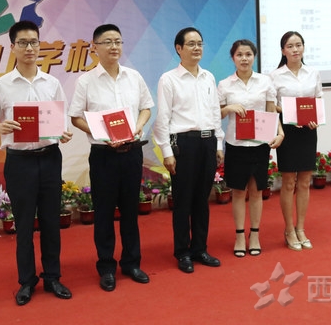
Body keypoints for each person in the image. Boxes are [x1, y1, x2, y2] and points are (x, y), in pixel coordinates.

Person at [0, 20, 73, 305]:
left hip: (49, 158)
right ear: (13, 47)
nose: (29, 48)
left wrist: (64, 132)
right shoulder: (1, 85)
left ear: (39, 45)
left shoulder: (52, 83)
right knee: (23, 225)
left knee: (50, 221)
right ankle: (26, 281)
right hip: (19, 162)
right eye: (23, 43)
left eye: (34, 42)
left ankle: (53, 277)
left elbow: (61, 120)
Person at [68, 24, 154, 292]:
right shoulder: (86, 81)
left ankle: (131, 263)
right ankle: (106, 267)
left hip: (131, 152)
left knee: (130, 211)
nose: (114, 46)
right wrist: (99, 132)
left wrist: (139, 126)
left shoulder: (134, 77)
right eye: (107, 42)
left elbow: (146, 108)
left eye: (118, 41)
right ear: (95, 47)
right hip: (103, 155)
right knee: (104, 213)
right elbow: (75, 117)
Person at [153, 27, 224, 273]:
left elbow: (214, 112)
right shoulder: (169, 79)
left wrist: (219, 143)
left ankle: (200, 249)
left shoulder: (208, 77)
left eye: (200, 43)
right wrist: (166, 151)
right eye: (191, 44)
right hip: (183, 144)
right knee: (183, 200)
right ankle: (182, 252)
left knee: (202, 200)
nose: (197, 48)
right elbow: (163, 117)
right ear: (179, 48)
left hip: (208, 142)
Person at [217, 39, 284, 258]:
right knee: (238, 191)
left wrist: (280, 132)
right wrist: (228, 108)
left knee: (256, 191)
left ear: (254, 57)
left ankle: (254, 234)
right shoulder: (225, 84)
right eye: (239, 55)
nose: (244, 59)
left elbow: (271, 111)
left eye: (248, 54)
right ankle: (239, 236)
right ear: (233, 58)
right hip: (235, 144)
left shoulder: (265, 82)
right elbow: (215, 115)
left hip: (259, 144)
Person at [270, 31, 323, 251]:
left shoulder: (313, 73)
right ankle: (289, 229)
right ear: (283, 50)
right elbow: (271, 105)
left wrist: (315, 118)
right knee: (289, 181)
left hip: (308, 131)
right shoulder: (275, 76)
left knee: (304, 181)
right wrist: (291, 114)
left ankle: (301, 228)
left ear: (303, 48)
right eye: (290, 46)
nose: (295, 49)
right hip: (287, 132)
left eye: (298, 45)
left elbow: (318, 99)